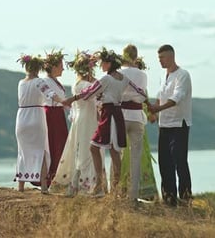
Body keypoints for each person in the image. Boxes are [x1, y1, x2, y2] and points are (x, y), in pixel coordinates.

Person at [64, 47, 148, 197]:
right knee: (114, 151)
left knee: (94, 147)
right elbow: (141, 92)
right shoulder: (124, 79)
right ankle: (115, 187)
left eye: (103, 63)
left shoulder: (106, 79)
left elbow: (89, 93)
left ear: (109, 64)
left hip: (109, 115)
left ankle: (100, 184)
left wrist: (72, 99)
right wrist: (144, 102)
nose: (101, 66)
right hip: (118, 114)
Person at [51, 50, 104, 196]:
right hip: (87, 119)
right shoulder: (86, 85)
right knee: (87, 150)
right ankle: (87, 185)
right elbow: (94, 93)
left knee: (82, 149)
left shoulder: (78, 83)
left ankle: (79, 184)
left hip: (83, 118)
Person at [148, 44, 193, 207]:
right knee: (164, 162)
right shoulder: (163, 76)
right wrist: (154, 113)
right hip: (164, 125)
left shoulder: (183, 75)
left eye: (163, 57)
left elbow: (176, 98)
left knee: (179, 161)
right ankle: (169, 199)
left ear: (171, 56)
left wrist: (157, 108)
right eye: (159, 58)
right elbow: (160, 97)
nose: (160, 60)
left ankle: (185, 198)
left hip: (179, 124)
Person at [14, 54, 65, 194]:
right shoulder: (39, 82)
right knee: (41, 151)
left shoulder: (21, 83)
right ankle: (43, 186)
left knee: (23, 151)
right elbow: (50, 95)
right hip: (36, 116)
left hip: (22, 117)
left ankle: (21, 186)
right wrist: (63, 101)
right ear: (39, 69)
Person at [118, 44, 158, 201]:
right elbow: (143, 95)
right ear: (136, 56)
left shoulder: (118, 73)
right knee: (136, 156)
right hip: (136, 116)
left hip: (121, 115)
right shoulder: (142, 75)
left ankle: (117, 191)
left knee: (119, 154)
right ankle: (133, 196)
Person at [41, 49, 69, 187]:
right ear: (53, 67)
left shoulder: (55, 81)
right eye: (60, 65)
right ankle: (50, 178)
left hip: (58, 114)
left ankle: (58, 177)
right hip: (51, 115)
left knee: (60, 145)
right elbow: (51, 96)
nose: (63, 68)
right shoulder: (44, 81)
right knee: (52, 145)